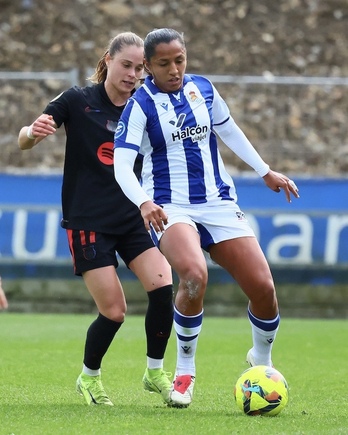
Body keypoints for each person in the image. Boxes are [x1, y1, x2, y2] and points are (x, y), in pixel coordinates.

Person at [113, 28, 300, 408]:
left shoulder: (204, 89)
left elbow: (229, 130)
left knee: (263, 288)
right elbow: (120, 166)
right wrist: (144, 203)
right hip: (170, 206)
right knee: (194, 276)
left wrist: (265, 170)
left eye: (179, 60)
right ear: (147, 66)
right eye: (164, 63)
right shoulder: (140, 106)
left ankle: (260, 365)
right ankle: (184, 372)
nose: (174, 69)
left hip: (217, 201)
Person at [18, 32, 175, 407]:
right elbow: (25, 139)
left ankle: (155, 372)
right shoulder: (77, 100)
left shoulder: (144, 108)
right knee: (115, 311)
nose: (133, 74)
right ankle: (89, 378)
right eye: (126, 65)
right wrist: (31, 133)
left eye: (140, 68)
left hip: (132, 217)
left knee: (163, 285)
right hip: (89, 221)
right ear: (108, 59)